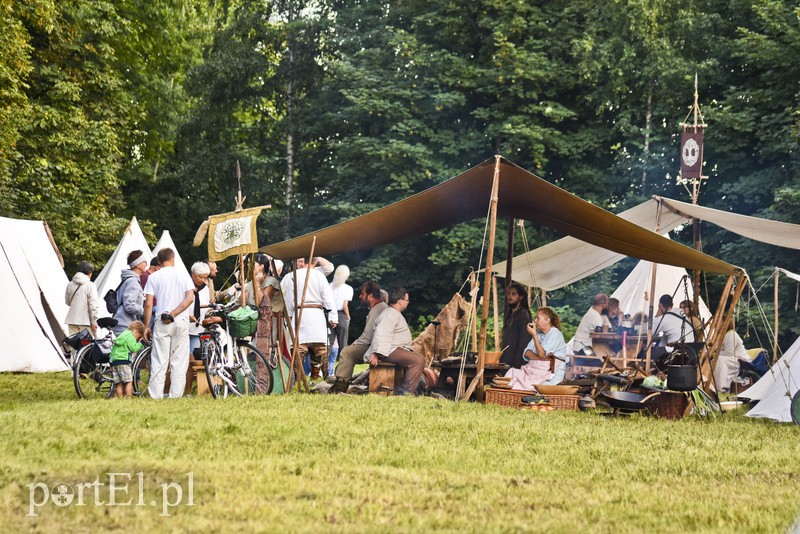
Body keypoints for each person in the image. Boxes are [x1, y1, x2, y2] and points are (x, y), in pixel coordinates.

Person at [143, 248, 195, 399]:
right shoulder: (183, 274)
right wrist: (174, 313)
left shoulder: (154, 277)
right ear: (173, 259)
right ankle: (175, 395)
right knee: (179, 361)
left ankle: (156, 395)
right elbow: (190, 298)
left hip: (162, 320)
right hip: (181, 320)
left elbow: (148, 304)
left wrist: (146, 326)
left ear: (158, 262)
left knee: (159, 359)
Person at [281, 256, 337, 380]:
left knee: (300, 347)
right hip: (316, 314)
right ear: (315, 262)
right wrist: (333, 317)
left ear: (304, 262)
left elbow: (289, 300)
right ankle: (325, 377)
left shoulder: (293, 276)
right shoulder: (319, 276)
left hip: (301, 313)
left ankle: (298, 379)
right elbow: (328, 298)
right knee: (320, 348)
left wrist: (290, 315)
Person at [330, 281, 389, 393]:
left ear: (370, 296)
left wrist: (353, 345)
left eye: (363, 294)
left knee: (347, 352)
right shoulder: (380, 307)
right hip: (380, 346)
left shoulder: (378, 309)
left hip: (379, 349)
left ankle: (340, 386)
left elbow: (367, 337)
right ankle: (341, 381)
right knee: (348, 351)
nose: (360, 296)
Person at [366, 287, 426, 396]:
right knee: (418, 360)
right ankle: (405, 392)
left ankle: (405, 389)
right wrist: (375, 353)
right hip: (388, 350)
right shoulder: (390, 314)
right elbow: (381, 334)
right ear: (400, 301)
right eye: (407, 300)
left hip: (391, 349)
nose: (408, 303)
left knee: (417, 358)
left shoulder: (393, 313)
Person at [504, 307, 567, 390]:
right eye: (535, 318)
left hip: (550, 372)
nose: (535, 321)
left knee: (535, 387)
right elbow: (527, 353)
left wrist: (534, 335)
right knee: (511, 373)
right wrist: (540, 358)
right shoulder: (539, 334)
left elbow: (542, 354)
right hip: (534, 369)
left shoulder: (555, 334)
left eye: (538, 318)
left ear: (547, 320)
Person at [185, 261, 219, 396]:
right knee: (184, 361)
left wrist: (210, 310)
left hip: (198, 329)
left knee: (193, 361)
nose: (203, 280)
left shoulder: (205, 288)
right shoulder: (185, 286)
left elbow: (205, 306)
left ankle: (189, 391)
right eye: (200, 277)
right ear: (193, 274)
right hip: (184, 327)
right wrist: (187, 316)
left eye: (205, 277)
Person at [648, 294, 696, 369]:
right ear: (672, 304)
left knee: (651, 353)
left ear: (660, 305)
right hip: (690, 350)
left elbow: (651, 332)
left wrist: (658, 313)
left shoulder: (663, 318)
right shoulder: (680, 311)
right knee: (660, 346)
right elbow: (669, 331)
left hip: (677, 351)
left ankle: (653, 372)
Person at [111, 250, 148, 336]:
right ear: (138, 265)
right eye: (145, 262)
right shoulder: (133, 281)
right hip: (125, 324)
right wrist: (146, 312)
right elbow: (129, 305)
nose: (147, 264)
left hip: (123, 323)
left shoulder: (129, 279)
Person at [500, 283, 533, 369]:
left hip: (515, 362)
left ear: (521, 297)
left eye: (513, 294)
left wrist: (517, 363)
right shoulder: (511, 314)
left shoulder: (523, 314)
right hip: (506, 359)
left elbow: (524, 340)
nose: (510, 297)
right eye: (509, 294)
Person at [328, 265, 353, 376]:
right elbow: (345, 305)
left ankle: (325, 371)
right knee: (343, 345)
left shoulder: (329, 286)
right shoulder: (348, 288)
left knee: (328, 344)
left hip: (330, 316)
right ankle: (343, 372)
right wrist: (348, 317)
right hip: (342, 316)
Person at [65, 260, 101, 338]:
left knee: (74, 346)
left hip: (71, 320)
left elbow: (68, 302)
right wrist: (94, 322)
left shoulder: (70, 284)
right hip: (86, 321)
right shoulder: (91, 285)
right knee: (86, 347)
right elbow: (93, 306)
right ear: (89, 273)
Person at [110, 320, 145, 398]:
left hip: (115, 361)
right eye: (139, 336)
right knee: (129, 381)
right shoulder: (130, 336)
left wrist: (111, 363)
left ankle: (120, 398)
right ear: (136, 331)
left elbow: (112, 350)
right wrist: (140, 343)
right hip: (124, 362)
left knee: (118, 383)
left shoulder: (122, 335)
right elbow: (134, 348)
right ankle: (129, 398)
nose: (137, 339)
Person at [714, 318, 751, 392]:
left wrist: (714, 355)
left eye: (719, 322)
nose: (716, 324)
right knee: (715, 360)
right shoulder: (722, 335)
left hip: (739, 360)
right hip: (731, 358)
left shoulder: (731, 334)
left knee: (720, 360)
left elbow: (729, 352)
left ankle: (721, 387)